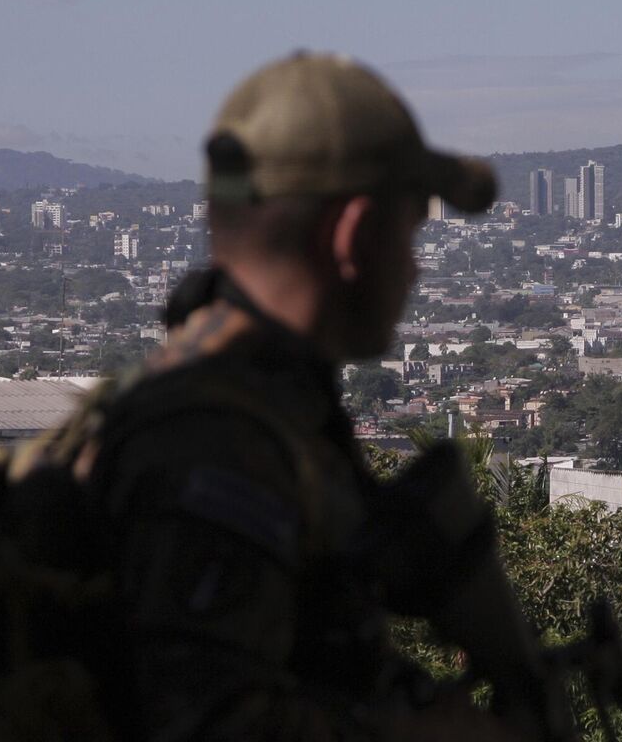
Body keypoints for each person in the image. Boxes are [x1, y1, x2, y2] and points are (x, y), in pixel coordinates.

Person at [72, 52, 556, 741]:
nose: (417, 267)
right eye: (411, 231)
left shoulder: (242, 393)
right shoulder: (217, 438)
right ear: (353, 235)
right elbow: (203, 720)